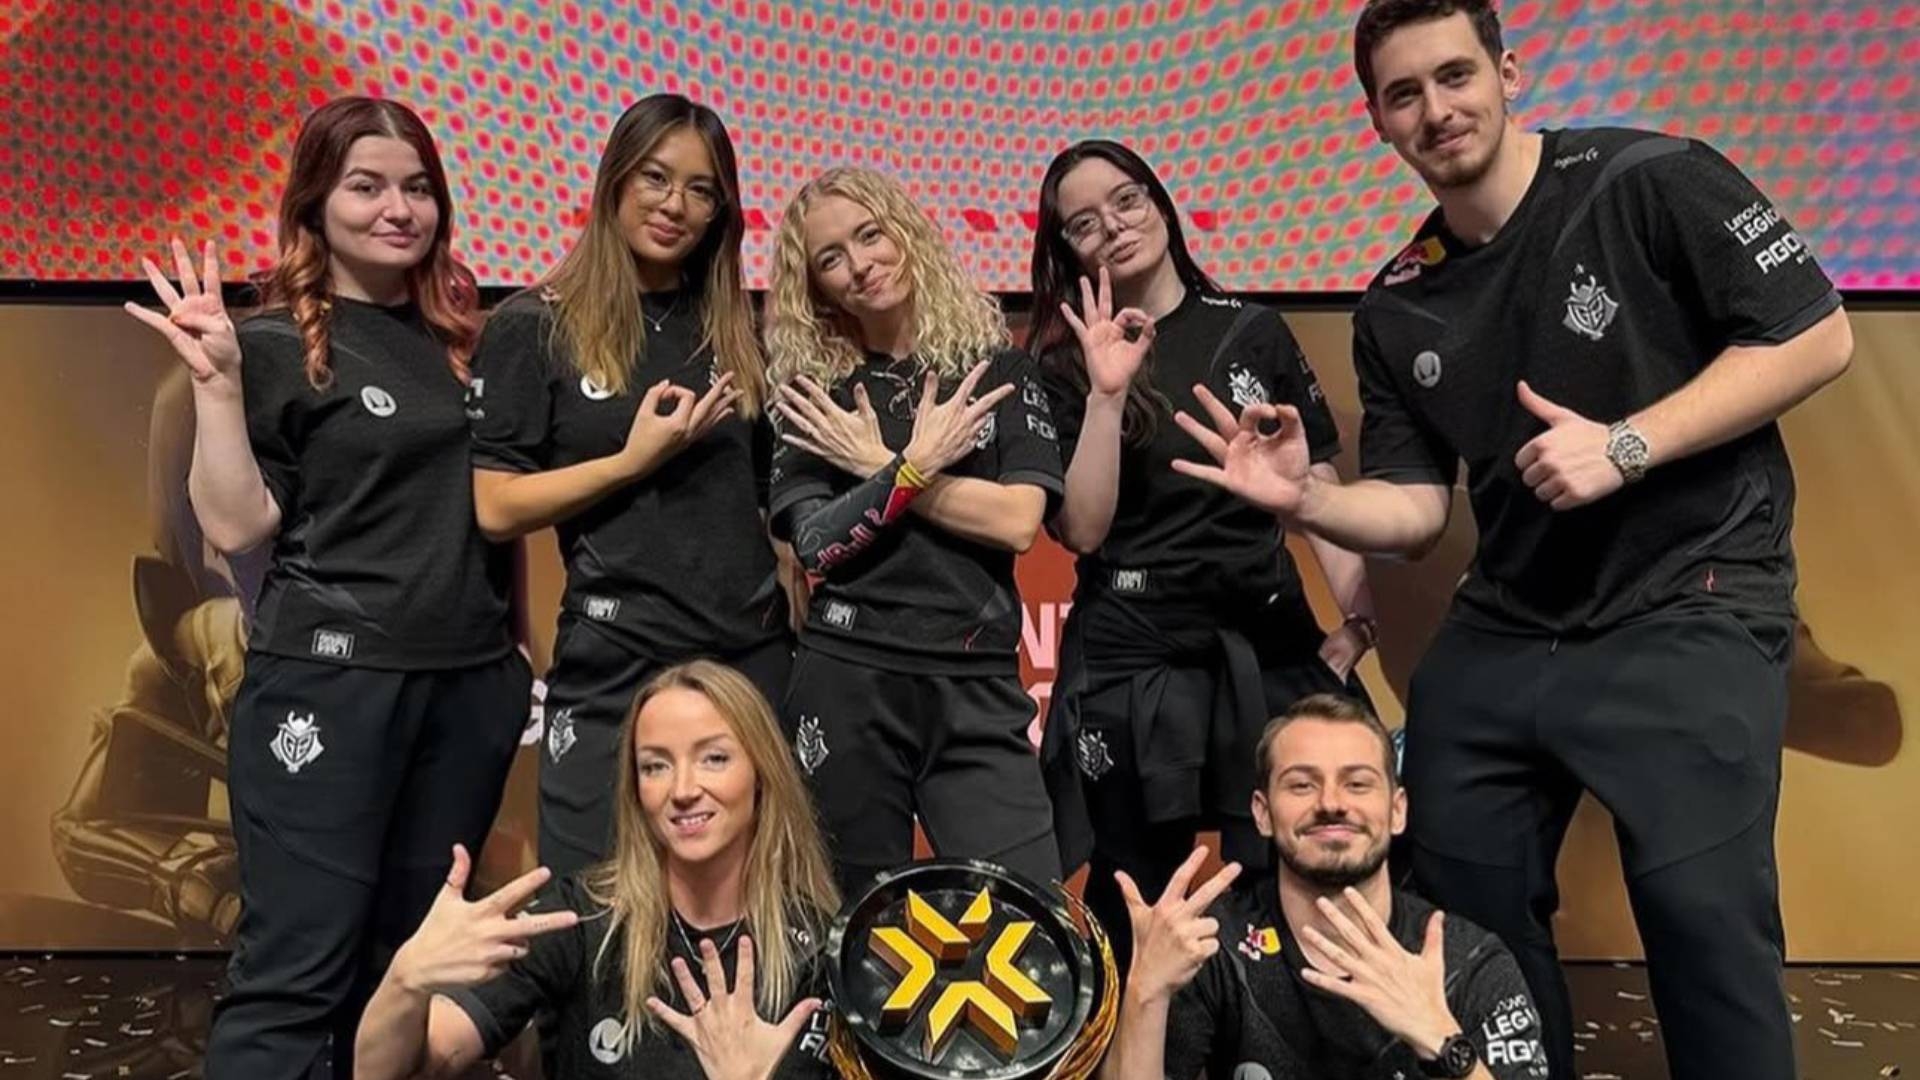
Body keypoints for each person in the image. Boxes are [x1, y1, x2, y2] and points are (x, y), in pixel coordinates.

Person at [1174, 1, 1855, 1076]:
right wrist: (1304, 500)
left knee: (1700, 914)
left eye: (1456, 75)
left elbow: (1816, 332)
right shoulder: (1397, 301)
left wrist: (1626, 445)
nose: (1437, 110)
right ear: (1377, 119)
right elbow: (1415, 511)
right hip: (1514, 620)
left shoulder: (1650, 177)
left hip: (1691, 595)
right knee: (1459, 896)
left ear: (1508, 71)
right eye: (1405, 93)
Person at [124, 97, 530, 1078]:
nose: (399, 208)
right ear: (315, 202)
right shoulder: (265, 345)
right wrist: (218, 386)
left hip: (468, 692)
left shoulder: (469, 343)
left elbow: (493, 512)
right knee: (294, 978)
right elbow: (235, 527)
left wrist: (520, 658)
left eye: (418, 188)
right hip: (330, 687)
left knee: (407, 971)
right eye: (367, 186)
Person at [1026, 140, 1379, 975]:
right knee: (1138, 890)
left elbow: (1314, 488)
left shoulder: (1250, 329)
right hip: (1132, 648)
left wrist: (1360, 622)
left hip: (1264, 634)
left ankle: (1287, 1031)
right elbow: (1082, 529)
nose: (1114, 227)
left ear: (1160, 202)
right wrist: (1106, 392)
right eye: (1084, 223)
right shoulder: (1063, 363)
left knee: (1312, 868)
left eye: (1127, 200)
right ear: (1066, 251)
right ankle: (1143, 1035)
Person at [466, 94, 797, 880]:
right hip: (616, 653)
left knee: (758, 895)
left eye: (700, 189)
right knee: (589, 900)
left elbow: (770, 502)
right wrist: (630, 461)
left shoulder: (739, 331)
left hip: (747, 652)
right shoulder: (533, 326)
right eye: (655, 177)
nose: (674, 205)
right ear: (615, 178)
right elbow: (496, 507)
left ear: (721, 211)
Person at [763, 166, 1065, 895]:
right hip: (845, 678)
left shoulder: (1000, 367)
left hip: (975, 678)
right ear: (816, 288)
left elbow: (1017, 521)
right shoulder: (814, 395)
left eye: (870, 235)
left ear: (907, 233)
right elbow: (816, 544)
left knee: (1029, 916)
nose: (860, 265)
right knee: (845, 921)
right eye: (831, 258)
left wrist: (880, 466)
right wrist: (914, 468)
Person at [353, 660, 840, 1080]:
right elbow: (386, 1071)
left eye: (714, 758)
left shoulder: (821, 951)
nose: (683, 789)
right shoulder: (581, 920)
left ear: (761, 774)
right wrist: (406, 979)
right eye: (655, 766)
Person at [1103, 696, 1547, 1080]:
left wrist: (1441, 1039)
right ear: (1262, 813)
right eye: (1301, 785)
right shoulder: (1211, 944)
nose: (1331, 803)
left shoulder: (1469, 960)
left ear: (1397, 811)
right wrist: (1146, 992)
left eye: (1358, 784)